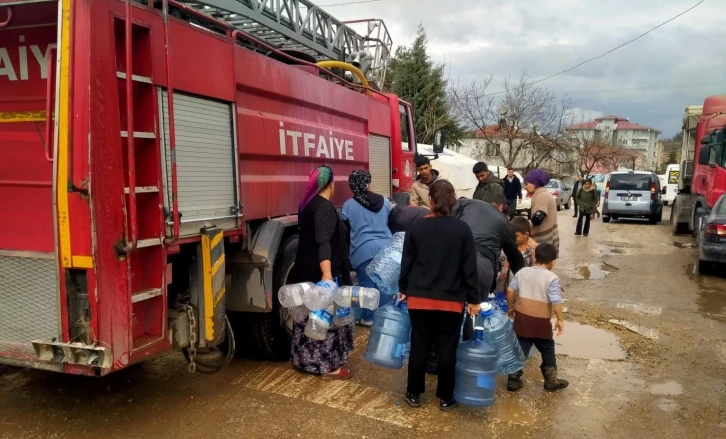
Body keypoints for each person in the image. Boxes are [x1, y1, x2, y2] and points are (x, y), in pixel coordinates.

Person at [398, 179, 480, 412]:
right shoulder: (462, 230)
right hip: (451, 302)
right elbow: (469, 268)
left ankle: (413, 393)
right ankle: (445, 397)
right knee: (447, 349)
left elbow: (407, 263)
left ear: (431, 201)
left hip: (419, 299)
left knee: (419, 346)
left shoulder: (417, 227)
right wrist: (474, 299)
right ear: (453, 202)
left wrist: (403, 289)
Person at [291, 165, 354, 380]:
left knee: (308, 318)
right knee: (326, 318)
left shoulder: (307, 205)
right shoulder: (325, 208)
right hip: (322, 272)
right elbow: (324, 243)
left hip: (305, 270)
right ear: (331, 184)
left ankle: (304, 361)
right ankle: (329, 367)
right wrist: (327, 275)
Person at [455, 192, 525, 342]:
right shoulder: (503, 221)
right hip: (481, 266)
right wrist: (525, 280)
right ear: (500, 206)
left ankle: (447, 353)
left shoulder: (465, 204)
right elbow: (514, 256)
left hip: (456, 261)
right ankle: (471, 351)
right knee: (474, 313)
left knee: (452, 310)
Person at [505, 243, 569, 392]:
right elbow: (556, 300)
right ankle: (551, 380)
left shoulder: (523, 272)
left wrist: (510, 307)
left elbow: (510, 290)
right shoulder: (552, 278)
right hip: (541, 323)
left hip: (522, 320)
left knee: (520, 349)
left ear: (534, 257)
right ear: (554, 261)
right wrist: (560, 319)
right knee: (547, 348)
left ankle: (513, 379)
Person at [341, 170, 393, 326]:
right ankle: (384, 319)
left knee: (366, 287)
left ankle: (368, 319)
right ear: (368, 183)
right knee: (384, 285)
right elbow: (391, 221)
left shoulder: (348, 205)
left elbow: (345, 229)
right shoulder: (385, 201)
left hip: (362, 250)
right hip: (385, 248)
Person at [524, 169, 559, 255]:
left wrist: (521, 226)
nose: (525, 187)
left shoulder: (541, 196)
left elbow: (537, 218)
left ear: (534, 183)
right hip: (547, 239)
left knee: (541, 265)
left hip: (542, 240)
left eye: (526, 184)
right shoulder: (543, 193)